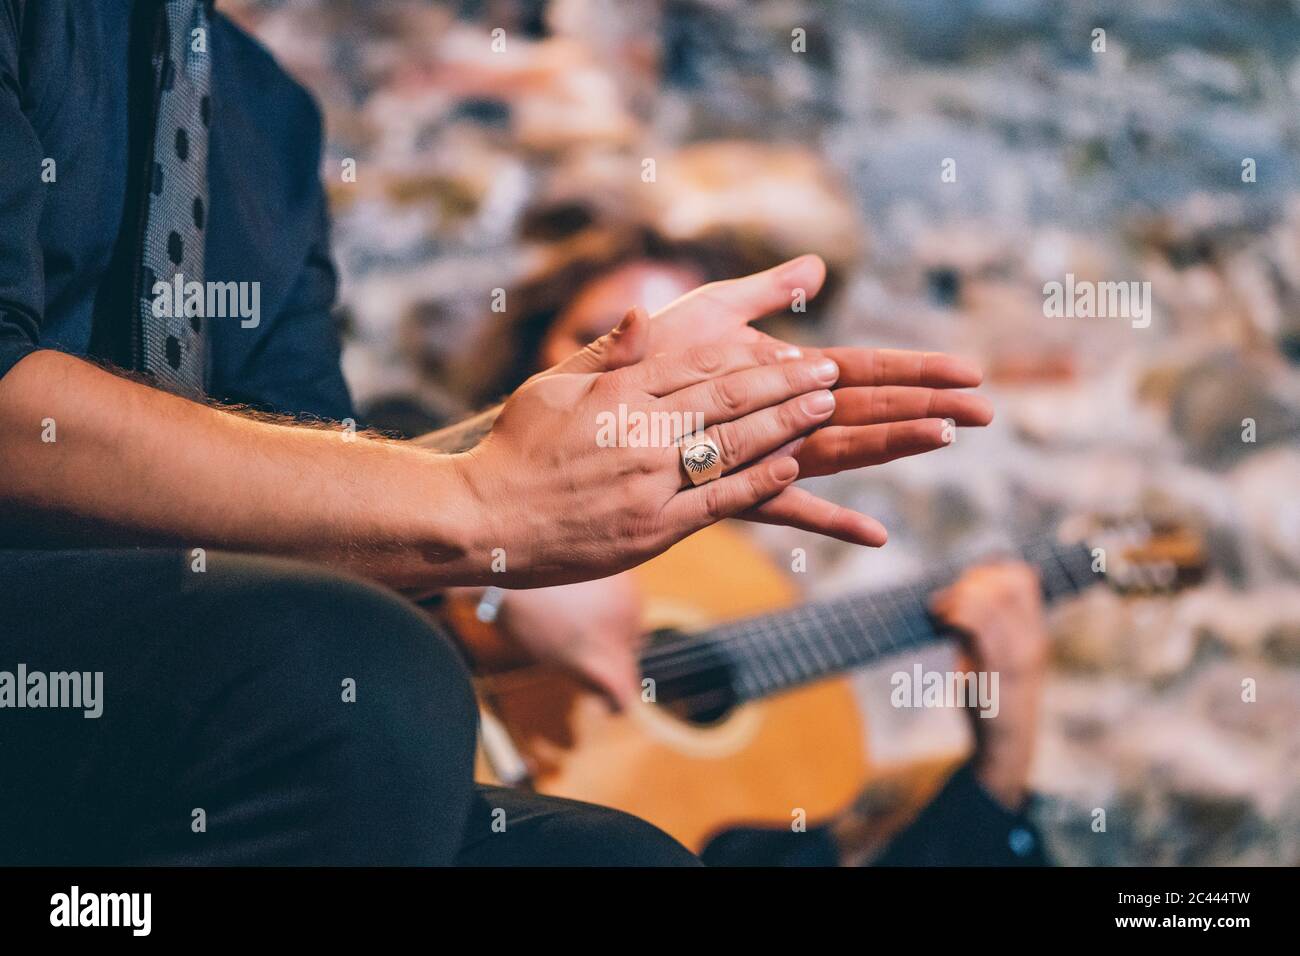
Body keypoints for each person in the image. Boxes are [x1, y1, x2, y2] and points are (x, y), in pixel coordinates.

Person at [0, 1, 990, 865]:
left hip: (193, 673)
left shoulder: (269, 116)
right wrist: (481, 516)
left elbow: (315, 489)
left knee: (617, 859)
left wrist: (521, 485)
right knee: (359, 672)